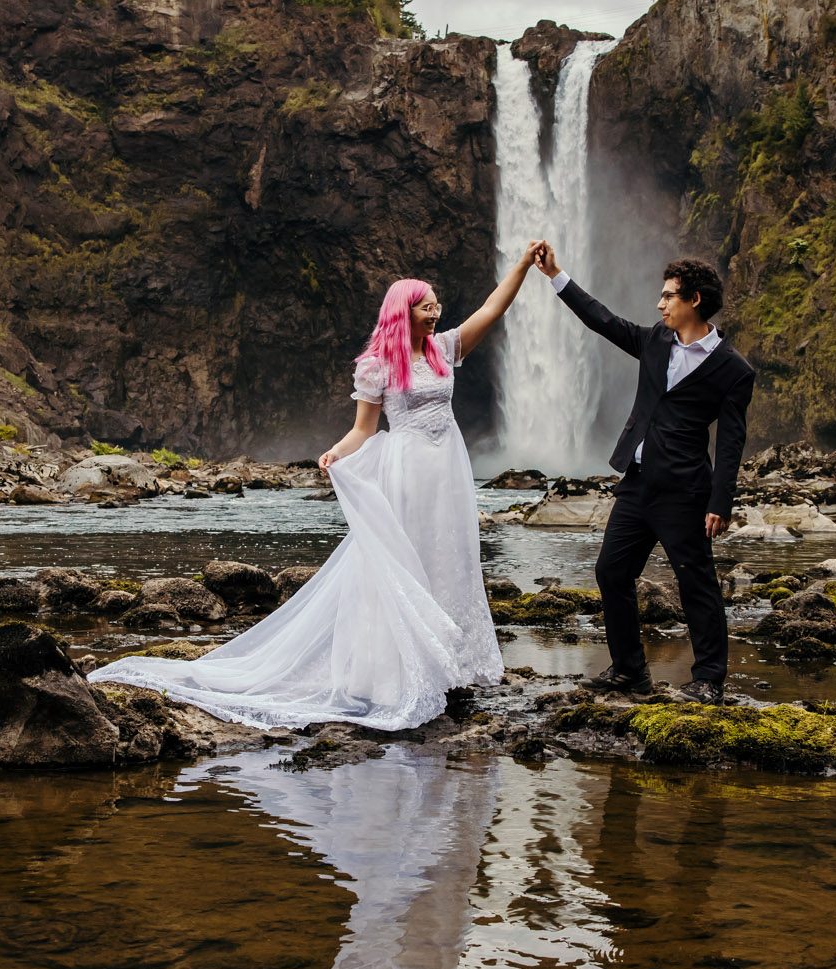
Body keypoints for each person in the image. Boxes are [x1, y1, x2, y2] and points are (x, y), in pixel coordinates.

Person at [87, 248, 545, 729]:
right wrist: (335, 452)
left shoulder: (444, 349)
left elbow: (493, 309)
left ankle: (448, 665)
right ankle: (390, 675)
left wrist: (520, 266)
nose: (436, 312)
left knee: (446, 558)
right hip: (406, 472)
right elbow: (364, 429)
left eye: (436, 304)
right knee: (401, 564)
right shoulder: (377, 365)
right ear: (401, 312)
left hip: (447, 471)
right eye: (426, 305)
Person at [529, 242, 753, 704]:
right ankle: (630, 671)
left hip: (685, 492)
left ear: (694, 300)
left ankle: (709, 679)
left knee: (697, 583)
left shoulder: (733, 369)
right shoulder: (655, 340)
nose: (660, 303)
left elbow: (731, 442)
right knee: (611, 571)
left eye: (669, 296)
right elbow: (603, 321)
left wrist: (720, 502)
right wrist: (556, 275)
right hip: (636, 483)